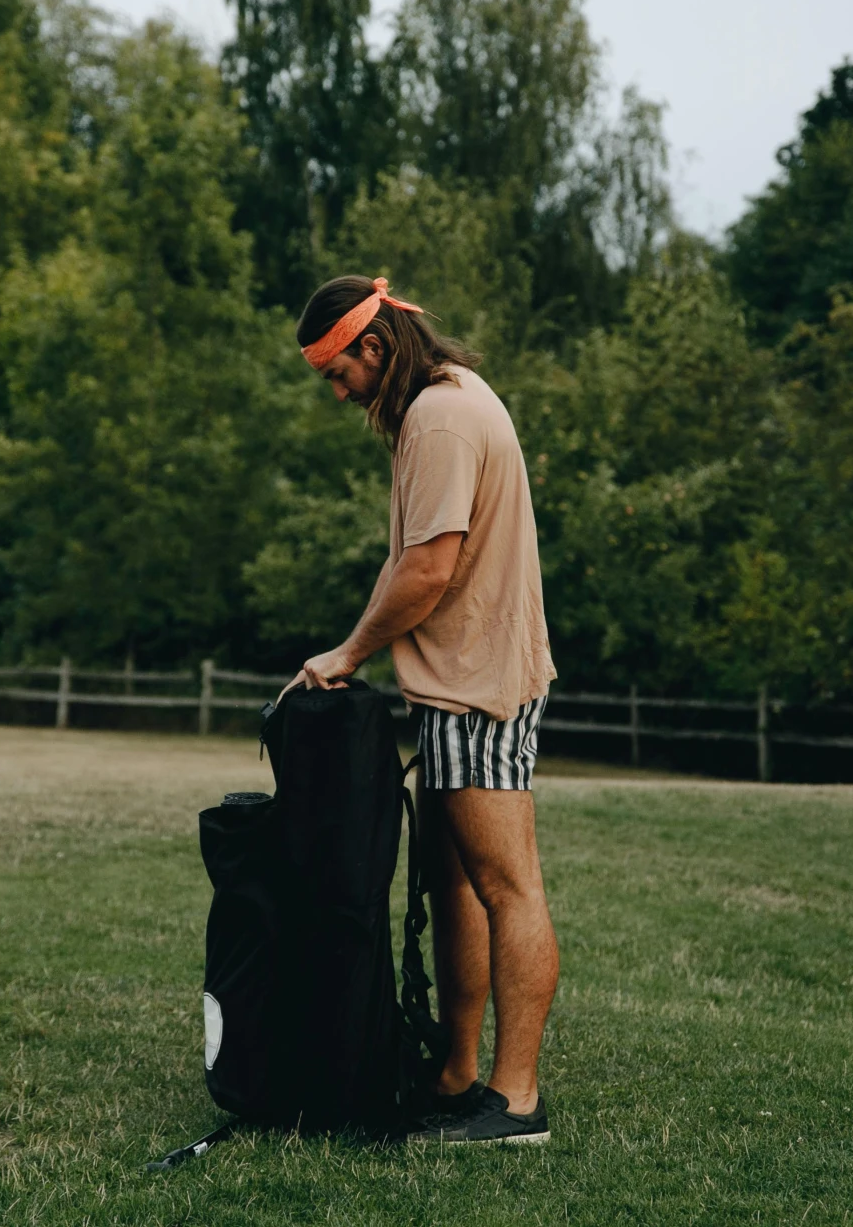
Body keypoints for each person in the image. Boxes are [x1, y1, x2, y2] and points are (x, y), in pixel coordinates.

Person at [286, 275, 559, 1146]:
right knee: (456, 889)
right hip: (455, 679)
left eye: (338, 371)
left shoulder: (440, 419)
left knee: (506, 887)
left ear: (374, 346)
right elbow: (404, 559)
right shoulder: (447, 400)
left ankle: (514, 1104)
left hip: (478, 683)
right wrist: (349, 646)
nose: (338, 392)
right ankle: (454, 1075)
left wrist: (349, 652)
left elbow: (428, 571)